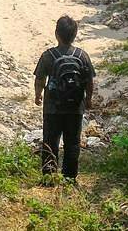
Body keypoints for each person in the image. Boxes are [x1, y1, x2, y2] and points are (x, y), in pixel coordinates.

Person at [33, 14, 95, 181]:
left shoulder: (48, 56)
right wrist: (88, 99)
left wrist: (38, 95)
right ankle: (70, 178)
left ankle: (49, 177)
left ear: (56, 34)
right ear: (75, 35)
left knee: (50, 142)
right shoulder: (82, 56)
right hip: (75, 107)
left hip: (53, 107)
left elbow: (39, 79)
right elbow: (89, 81)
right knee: (72, 143)